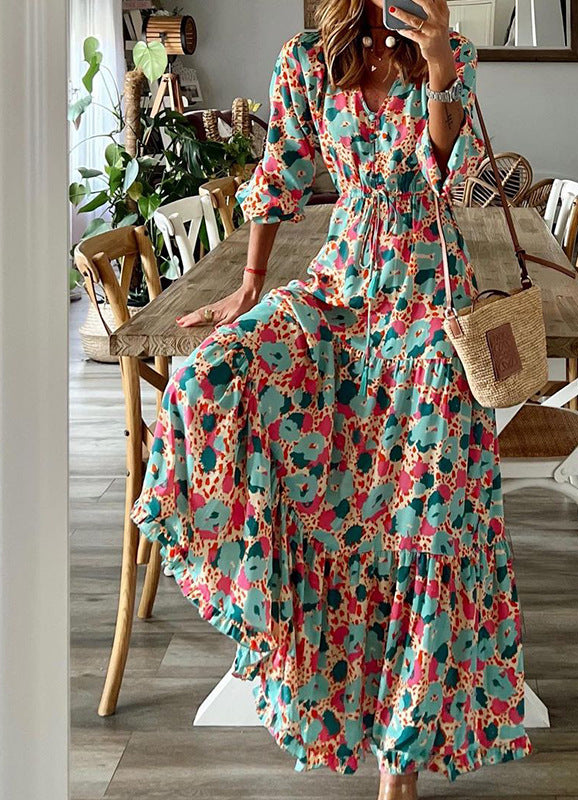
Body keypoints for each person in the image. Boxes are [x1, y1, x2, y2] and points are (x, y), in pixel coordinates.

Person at [130, 0, 533, 797]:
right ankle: (286, 640)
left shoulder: (447, 51)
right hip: (340, 283)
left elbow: (447, 169)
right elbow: (278, 174)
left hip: (427, 293)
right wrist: (248, 285)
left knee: (427, 492)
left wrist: (446, 64)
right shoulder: (307, 58)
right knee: (208, 375)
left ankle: (405, 753)